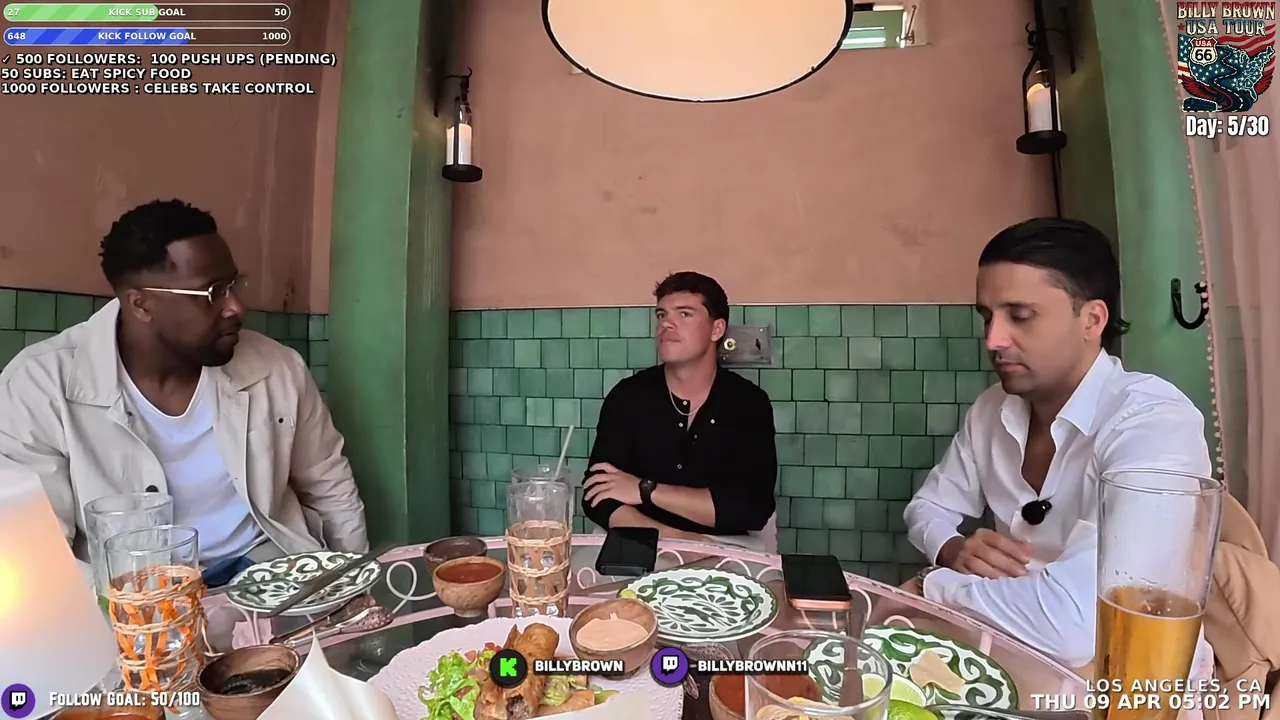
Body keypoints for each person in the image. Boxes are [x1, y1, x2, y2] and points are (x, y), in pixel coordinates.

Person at [0, 199, 369, 586]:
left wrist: (355, 586)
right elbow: (36, 548)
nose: (236, 306)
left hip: (274, 579)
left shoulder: (277, 368)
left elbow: (329, 484)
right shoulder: (41, 386)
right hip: (136, 600)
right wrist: (132, 613)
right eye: (213, 292)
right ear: (141, 304)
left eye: (233, 285)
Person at [902, 218, 1212, 667]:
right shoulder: (992, 410)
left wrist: (932, 585)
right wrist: (951, 548)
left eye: (1020, 316)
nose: (993, 340)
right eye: (987, 317)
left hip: (1124, 680)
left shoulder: (1154, 423)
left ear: (1092, 319)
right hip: (1004, 645)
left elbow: (1077, 626)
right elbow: (928, 507)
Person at [582, 271, 778, 544]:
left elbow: (752, 508)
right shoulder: (628, 397)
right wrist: (675, 539)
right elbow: (597, 495)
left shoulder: (748, 403)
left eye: (684, 314)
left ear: (717, 329)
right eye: (661, 314)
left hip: (727, 544)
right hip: (640, 538)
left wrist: (645, 490)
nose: (666, 324)